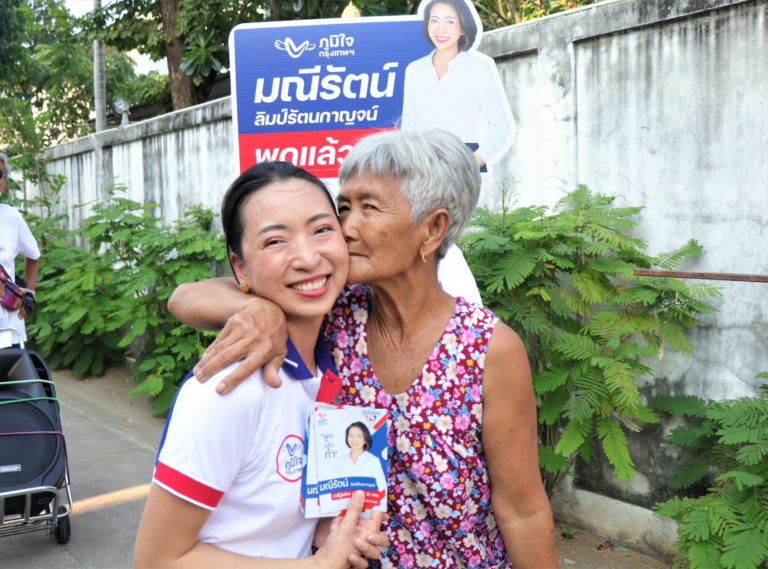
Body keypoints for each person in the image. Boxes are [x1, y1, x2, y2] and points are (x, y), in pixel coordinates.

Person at [168, 130, 558, 568]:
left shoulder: (487, 349)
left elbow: (523, 511)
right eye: (344, 207)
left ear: (433, 229)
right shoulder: (332, 312)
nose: (345, 229)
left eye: (369, 208)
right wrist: (261, 310)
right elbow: (184, 297)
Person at [134, 161, 387, 569]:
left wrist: (331, 535)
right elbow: (157, 560)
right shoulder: (229, 389)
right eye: (275, 241)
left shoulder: (336, 355)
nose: (308, 257)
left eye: (322, 229)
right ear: (240, 268)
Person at [400, 0, 514, 172]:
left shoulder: (478, 70)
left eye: (449, 21)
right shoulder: (414, 70)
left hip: (464, 162)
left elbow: (500, 126)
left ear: (462, 28)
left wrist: (474, 161)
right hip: (422, 165)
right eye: (434, 20)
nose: (440, 29)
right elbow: (408, 127)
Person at [0, 152, 40, 349]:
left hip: (8, 332)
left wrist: (30, 292)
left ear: (4, 184)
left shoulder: (12, 218)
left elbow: (34, 256)